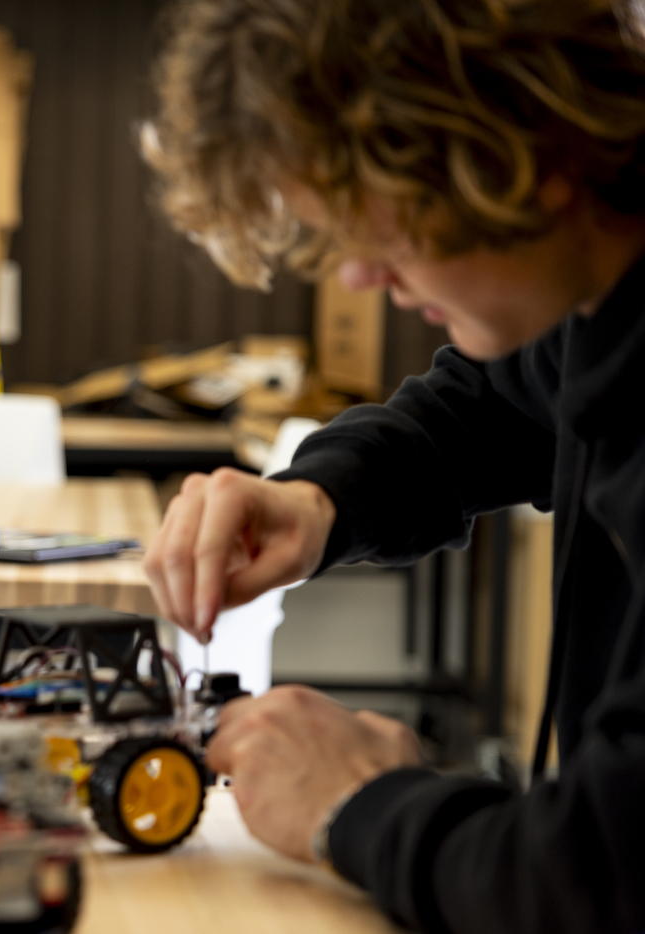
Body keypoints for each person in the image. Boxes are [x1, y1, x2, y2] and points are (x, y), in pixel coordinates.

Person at [141, 1, 645, 931]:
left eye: (379, 228)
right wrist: (317, 500)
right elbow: (492, 408)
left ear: (514, 153)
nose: (361, 278)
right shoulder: (595, 300)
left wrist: (356, 803)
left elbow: (606, 873)